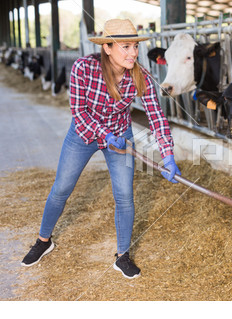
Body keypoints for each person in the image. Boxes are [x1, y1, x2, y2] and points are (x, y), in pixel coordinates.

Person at [21, 19, 181, 279]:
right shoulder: (83, 68)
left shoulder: (141, 76)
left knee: (124, 196)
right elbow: (79, 113)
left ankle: (122, 256)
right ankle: (43, 240)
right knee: (62, 188)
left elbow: (156, 117)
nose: (132, 53)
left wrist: (168, 155)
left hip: (120, 135)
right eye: (125, 47)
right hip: (84, 134)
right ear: (107, 47)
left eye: (135, 47)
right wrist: (104, 134)